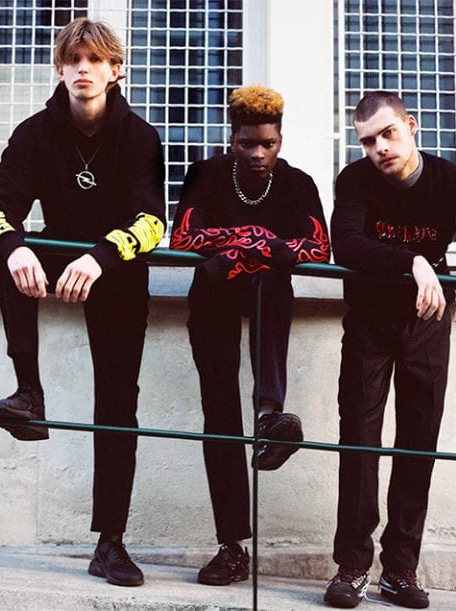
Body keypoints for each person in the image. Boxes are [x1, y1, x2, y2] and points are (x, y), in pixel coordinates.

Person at [0, 18, 165, 588]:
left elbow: (153, 222)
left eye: (96, 59)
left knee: (118, 402)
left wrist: (102, 256)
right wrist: (14, 245)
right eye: (74, 59)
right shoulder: (35, 133)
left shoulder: (140, 137)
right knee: (5, 251)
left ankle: (111, 542)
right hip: (55, 255)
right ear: (60, 68)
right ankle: (28, 392)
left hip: (116, 267)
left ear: (115, 70)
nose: (84, 68)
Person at [324, 91, 456, 609]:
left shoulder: (452, 181)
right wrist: (412, 260)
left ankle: (400, 570)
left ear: (411, 126)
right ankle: (352, 567)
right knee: (359, 441)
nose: (380, 149)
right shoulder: (355, 179)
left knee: (417, 443)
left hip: (427, 322)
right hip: (369, 321)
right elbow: (346, 244)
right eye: (368, 141)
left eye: (389, 134)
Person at [170, 85, 330, 586]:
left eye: (268, 144)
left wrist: (239, 251)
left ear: (280, 139)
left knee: (271, 281)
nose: (258, 154)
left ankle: (269, 416)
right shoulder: (206, 175)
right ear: (231, 139)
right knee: (219, 417)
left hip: (266, 297)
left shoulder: (297, 183)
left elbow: (319, 248)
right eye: (247, 144)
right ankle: (231, 546)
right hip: (212, 299)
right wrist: (259, 240)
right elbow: (182, 238)